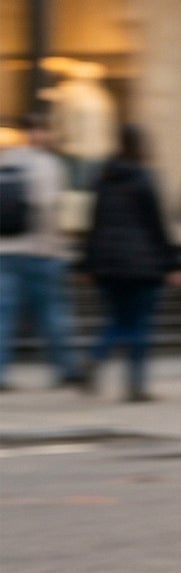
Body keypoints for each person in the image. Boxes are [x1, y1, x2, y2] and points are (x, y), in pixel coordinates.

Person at [79, 124, 181, 401]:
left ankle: (96, 356)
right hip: (142, 263)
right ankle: (135, 385)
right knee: (139, 324)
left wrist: (87, 263)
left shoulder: (104, 178)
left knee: (118, 319)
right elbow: (158, 226)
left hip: (108, 263)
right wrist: (174, 263)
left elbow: (93, 223)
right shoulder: (145, 178)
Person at [0, 113, 81, 392]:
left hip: (6, 251)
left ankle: (1, 373)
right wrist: (60, 246)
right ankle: (66, 368)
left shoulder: (5, 160)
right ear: (42, 133)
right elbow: (47, 207)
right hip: (41, 252)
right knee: (53, 314)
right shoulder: (48, 164)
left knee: (4, 317)